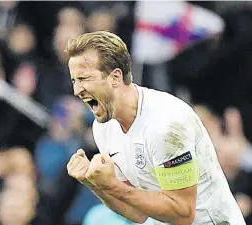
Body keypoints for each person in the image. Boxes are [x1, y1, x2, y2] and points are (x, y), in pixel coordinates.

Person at [65, 31, 246, 225]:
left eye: (84, 79)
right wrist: (95, 184)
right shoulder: (103, 128)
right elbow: (137, 214)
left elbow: (183, 214)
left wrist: (112, 186)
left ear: (116, 77)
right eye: (74, 81)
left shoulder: (166, 124)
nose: (76, 91)